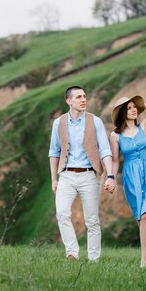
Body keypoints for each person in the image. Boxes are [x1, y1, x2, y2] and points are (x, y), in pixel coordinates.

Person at [49, 86, 116, 261]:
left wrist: (110, 175)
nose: (83, 100)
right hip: (66, 176)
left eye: (84, 96)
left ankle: (94, 259)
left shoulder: (95, 121)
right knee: (62, 213)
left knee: (92, 220)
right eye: (78, 97)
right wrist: (53, 179)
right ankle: (72, 253)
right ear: (68, 101)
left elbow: (105, 150)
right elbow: (54, 152)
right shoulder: (59, 123)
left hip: (88, 176)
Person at [108, 96, 146, 267]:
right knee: (142, 221)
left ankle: (143, 262)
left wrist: (143, 105)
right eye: (129, 108)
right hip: (131, 177)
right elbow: (114, 160)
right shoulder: (115, 135)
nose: (134, 110)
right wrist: (111, 178)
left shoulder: (144, 126)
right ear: (122, 113)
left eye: (135, 107)